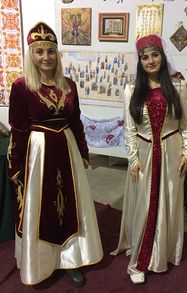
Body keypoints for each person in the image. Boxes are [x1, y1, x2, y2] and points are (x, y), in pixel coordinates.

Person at [7, 22, 103, 287]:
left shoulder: (69, 84)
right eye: (39, 52)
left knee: (72, 205)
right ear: (31, 54)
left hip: (67, 150)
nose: (46, 57)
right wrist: (16, 165)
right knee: (42, 207)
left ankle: (70, 259)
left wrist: (83, 151)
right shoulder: (21, 86)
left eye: (50, 51)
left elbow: (76, 122)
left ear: (56, 54)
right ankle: (42, 263)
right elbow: (18, 129)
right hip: (38, 154)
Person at [111, 34, 187, 284]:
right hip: (145, 155)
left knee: (167, 203)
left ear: (162, 56)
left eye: (154, 55)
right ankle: (140, 260)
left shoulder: (179, 87)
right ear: (140, 61)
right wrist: (133, 159)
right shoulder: (132, 90)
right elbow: (129, 130)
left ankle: (163, 252)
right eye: (144, 57)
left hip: (171, 153)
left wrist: (186, 153)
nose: (150, 61)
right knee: (145, 206)